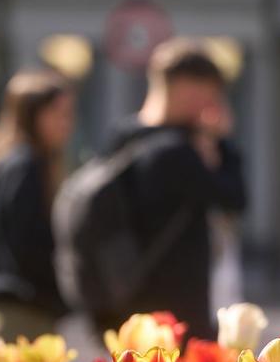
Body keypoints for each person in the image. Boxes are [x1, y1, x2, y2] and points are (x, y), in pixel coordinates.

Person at [100, 39, 248, 340]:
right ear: (186, 88)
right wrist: (222, 144)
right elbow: (234, 198)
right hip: (177, 307)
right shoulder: (176, 151)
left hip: (129, 298)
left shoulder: (123, 137)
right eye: (210, 94)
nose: (213, 105)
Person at [0, 70, 76, 340]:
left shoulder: (8, 161)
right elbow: (28, 243)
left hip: (14, 304)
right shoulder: (26, 166)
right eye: (59, 114)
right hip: (24, 309)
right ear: (33, 116)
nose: (67, 124)